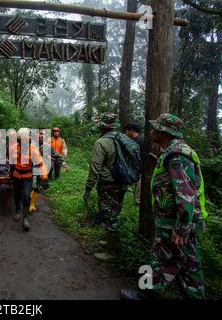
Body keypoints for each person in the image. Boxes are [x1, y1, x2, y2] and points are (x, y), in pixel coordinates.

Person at [121, 114, 207, 300]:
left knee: (161, 257)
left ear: (166, 131)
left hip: (175, 223)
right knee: (188, 263)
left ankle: (145, 294)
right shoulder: (172, 151)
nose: (152, 130)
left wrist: (181, 228)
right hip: (182, 221)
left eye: (156, 128)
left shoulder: (176, 156)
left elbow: (186, 195)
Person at [83, 113, 128, 262]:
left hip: (108, 184)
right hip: (123, 182)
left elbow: (95, 169)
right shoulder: (124, 139)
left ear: (102, 126)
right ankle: (110, 242)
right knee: (115, 212)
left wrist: (88, 188)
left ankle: (112, 252)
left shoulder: (101, 143)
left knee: (109, 216)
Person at [9, 128, 48, 231]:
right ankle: (17, 210)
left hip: (28, 176)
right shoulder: (14, 148)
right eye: (22, 140)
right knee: (17, 195)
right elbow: (12, 163)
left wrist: (44, 178)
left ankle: (25, 218)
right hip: (17, 176)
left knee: (26, 197)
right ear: (19, 140)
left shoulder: (33, 149)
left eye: (26, 140)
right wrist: (10, 174)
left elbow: (40, 164)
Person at [29, 129, 53, 212]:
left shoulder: (47, 146)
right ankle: (26, 202)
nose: (42, 135)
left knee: (37, 187)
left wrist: (64, 163)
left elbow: (56, 155)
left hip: (41, 170)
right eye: (40, 133)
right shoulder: (31, 144)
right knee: (29, 187)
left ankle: (32, 204)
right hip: (29, 169)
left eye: (43, 134)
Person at [123, 123, 144, 207]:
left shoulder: (133, 142)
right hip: (141, 170)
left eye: (126, 131)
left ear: (131, 130)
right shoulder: (144, 139)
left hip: (139, 171)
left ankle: (137, 211)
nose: (125, 134)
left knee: (138, 195)